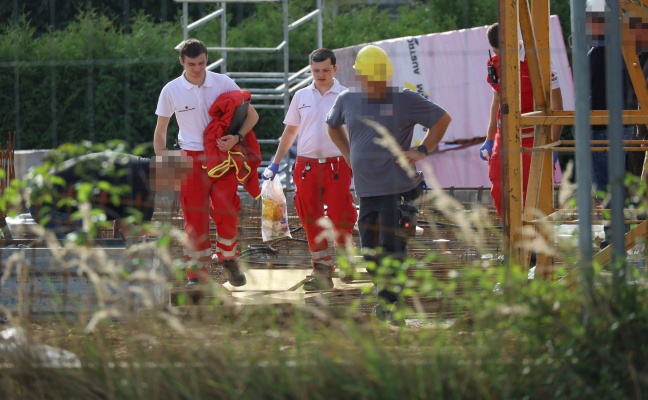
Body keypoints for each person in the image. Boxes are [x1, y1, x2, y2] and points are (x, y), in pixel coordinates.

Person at [326, 45, 451, 321]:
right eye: (370, 78)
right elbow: (332, 125)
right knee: (370, 251)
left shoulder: (404, 99)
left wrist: (422, 150)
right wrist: (348, 154)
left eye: (379, 78)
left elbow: (442, 119)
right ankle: (388, 293)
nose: (375, 83)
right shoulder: (347, 100)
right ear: (361, 77)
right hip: (367, 191)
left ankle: (389, 302)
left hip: (397, 190)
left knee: (391, 247)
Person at [153, 38, 260, 287]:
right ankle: (196, 276)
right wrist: (164, 164)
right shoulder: (171, 90)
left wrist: (237, 137)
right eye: (192, 64)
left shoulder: (222, 82)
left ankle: (228, 258)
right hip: (188, 158)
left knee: (227, 210)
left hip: (222, 157)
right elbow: (160, 132)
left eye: (202, 63)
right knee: (193, 219)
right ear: (182, 61)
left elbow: (252, 114)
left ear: (207, 60)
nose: (198, 68)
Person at [263, 48, 357, 291]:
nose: (321, 74)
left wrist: (357, 160)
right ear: (310, 70)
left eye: (326, 70)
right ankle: (322, 270)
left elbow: (356, 133)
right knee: (310, 218)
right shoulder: (301, 96)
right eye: (316, 71)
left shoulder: (346, 96)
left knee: (341, 215)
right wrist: (275, 162)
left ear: (335, 69)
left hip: (338, 165)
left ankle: (346, 257)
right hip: (305, 167)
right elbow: (290, 132)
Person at [479, 22, 563, 219]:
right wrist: (490, 138)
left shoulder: (540, 63)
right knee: (500, 192)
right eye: (495, 52)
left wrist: (552, 144)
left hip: (534, 140)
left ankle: (534, 246)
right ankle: (512, 240)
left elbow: (557, 106)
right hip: (504, 139)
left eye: (502, 51)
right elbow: (497, 100)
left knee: (532, 197)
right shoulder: (495, 63)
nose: (500, 57)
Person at [27, 151, 191, 240]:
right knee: (88, 261)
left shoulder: (139, 170)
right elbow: (135, 241)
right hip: (48, 208)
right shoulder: (141, 185)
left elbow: (123, 231)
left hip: (48, 203)